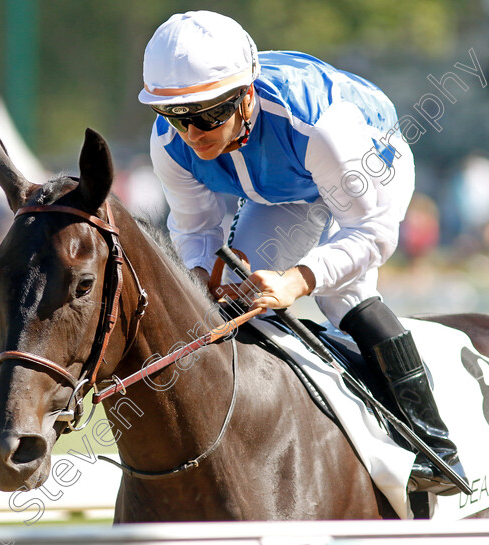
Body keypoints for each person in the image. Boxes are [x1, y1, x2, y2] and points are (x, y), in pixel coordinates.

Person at [138, 10, 466, 494]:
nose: (193, 134)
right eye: (177, 117)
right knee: (226, 303)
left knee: (343, 296)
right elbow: (195, 230)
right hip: (285, 192)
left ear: (246, 95)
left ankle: (436, 448)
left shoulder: (322, 125)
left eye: (208, 114)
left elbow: (373, 233)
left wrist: (297, 280)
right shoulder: (168, 144)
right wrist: (203, 276)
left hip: (365, 166)